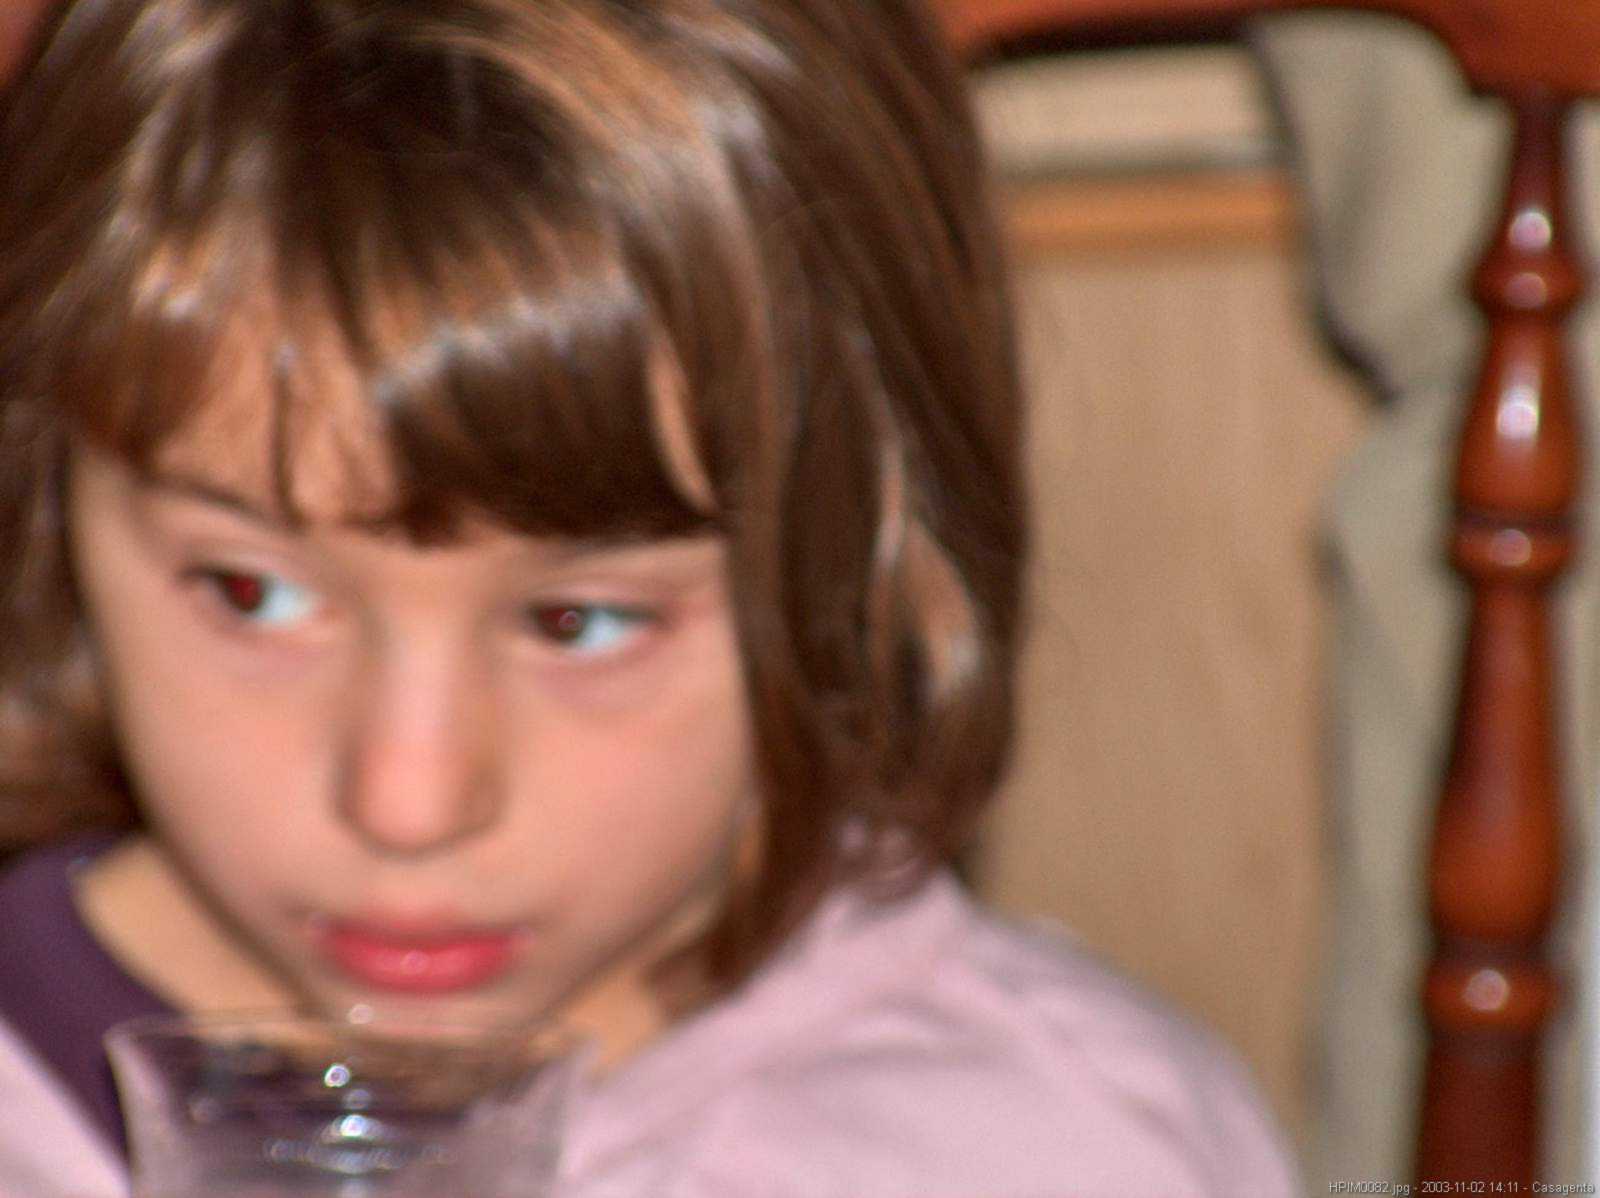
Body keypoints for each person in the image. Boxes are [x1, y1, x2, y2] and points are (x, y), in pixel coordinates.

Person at [0, 0, 1299, 1193]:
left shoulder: (1072, 1141)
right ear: (50, 501)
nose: (410, 803)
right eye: (250, 594)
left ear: (863, 558)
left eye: (582, 621)